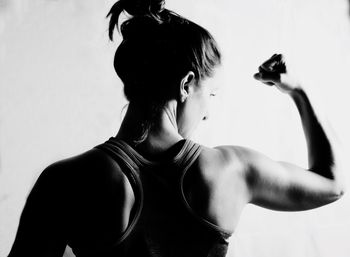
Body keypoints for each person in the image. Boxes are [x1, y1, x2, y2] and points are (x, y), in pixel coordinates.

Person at [7, 0, 345, 256]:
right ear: (186, 85)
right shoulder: (232, 172)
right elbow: (332, 184)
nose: (208, 113)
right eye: (210, 94)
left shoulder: (65, 182)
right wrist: (298, 90)